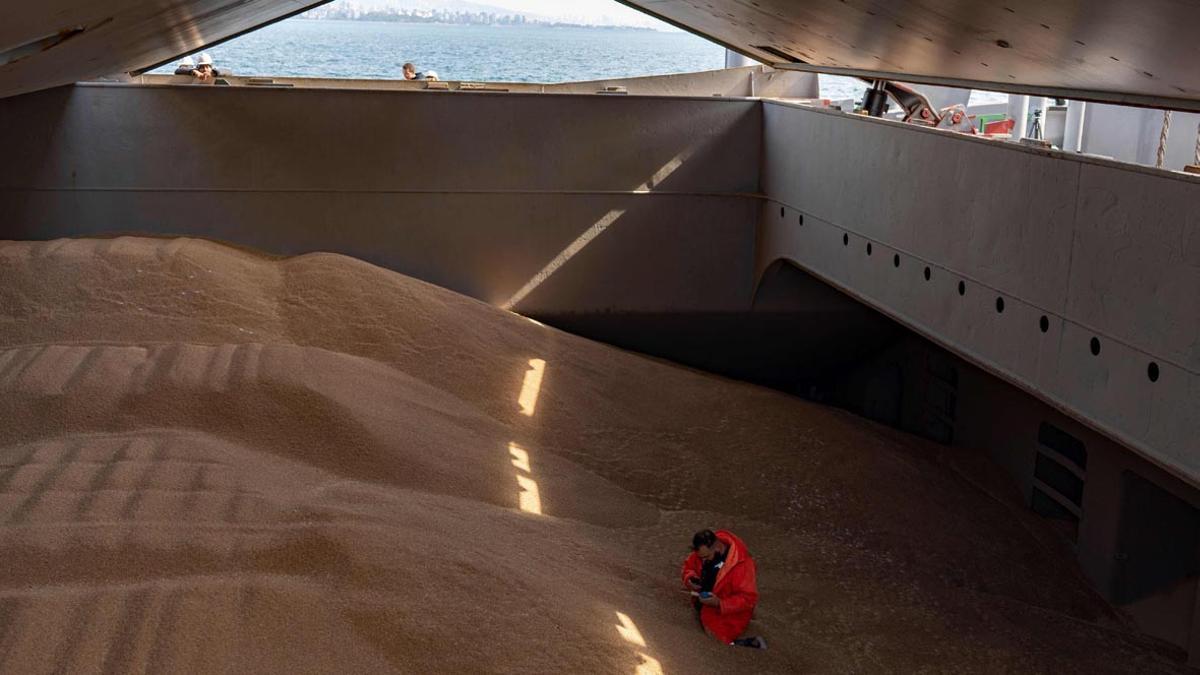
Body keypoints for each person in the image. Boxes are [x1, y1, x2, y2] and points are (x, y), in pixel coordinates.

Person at [680, 529, 765, 649]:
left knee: (718, 638)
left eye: (706, 557)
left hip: (728, 612)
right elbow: (688, 567)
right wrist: (690, 579)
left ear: (718, 548)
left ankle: (747, 643)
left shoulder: (743, 565)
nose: (703, 560)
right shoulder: (704, 551)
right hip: (704, 601)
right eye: (701, 557)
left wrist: (720, 603)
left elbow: (748, 599)